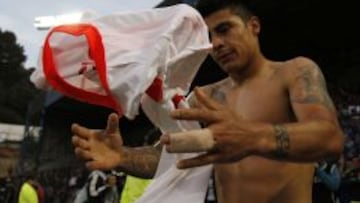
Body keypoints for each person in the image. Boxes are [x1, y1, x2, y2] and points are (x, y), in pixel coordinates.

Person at [71, 0, 344, 202]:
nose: (217, 44)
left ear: (254, 26)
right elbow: (171, 158)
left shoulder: (295, 72)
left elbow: (329, 137)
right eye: (210, 36)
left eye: (225, 29)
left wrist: (254, 137)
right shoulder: (205, 96)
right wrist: (122, 156)